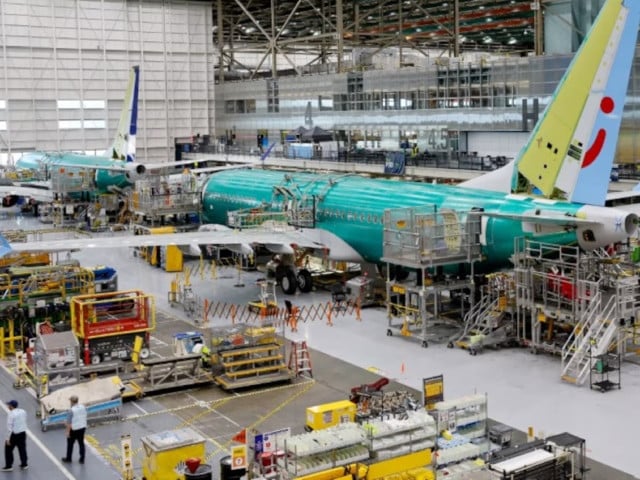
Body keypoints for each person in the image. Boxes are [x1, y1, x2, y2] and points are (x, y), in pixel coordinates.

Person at [3, 400, 28, 471]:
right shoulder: (23, 411)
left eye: (9, 405)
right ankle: (24, 464)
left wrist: (8, 439)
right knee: (22, 449)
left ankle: (9, 466)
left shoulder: (11, 414)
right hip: (22, 433)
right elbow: (24, 420)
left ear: (11, 406)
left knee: (8, 450)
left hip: (14, 435)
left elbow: (9, 427)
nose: (8, 406)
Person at [62, 395, 87, 464]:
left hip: (74, 429)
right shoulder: (83, 407)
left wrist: (67, 432)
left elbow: (69, 423)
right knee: (81, 443)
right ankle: (82, 459)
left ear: (72, 402)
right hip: (82, 427)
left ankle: (68, 458)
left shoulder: (71, 411)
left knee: (70, 444)